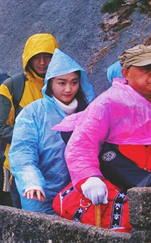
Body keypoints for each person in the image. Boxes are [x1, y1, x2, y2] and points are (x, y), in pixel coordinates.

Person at [64, 44, 151, 206]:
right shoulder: (107, 104)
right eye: (146, 68)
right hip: (122, 191)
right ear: (125, 73)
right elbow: (82, 144)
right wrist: (88, 177)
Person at [9, 50, 95, 215]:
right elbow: (23, 152)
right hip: (41, 195)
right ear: (50, 83)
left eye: (74, 82)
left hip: (81, 194)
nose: (69, 89)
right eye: (61, 83)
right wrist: (31, 181)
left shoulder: (91, 111)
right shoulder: (33, 113)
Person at [0, 33, 59, 207]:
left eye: (47, 56)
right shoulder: (13, 86)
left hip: (60, 168)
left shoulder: (64, 83)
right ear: (28, 58)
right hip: (21, 170)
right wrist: (32, 138)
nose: (42, 62)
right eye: (36, 57)